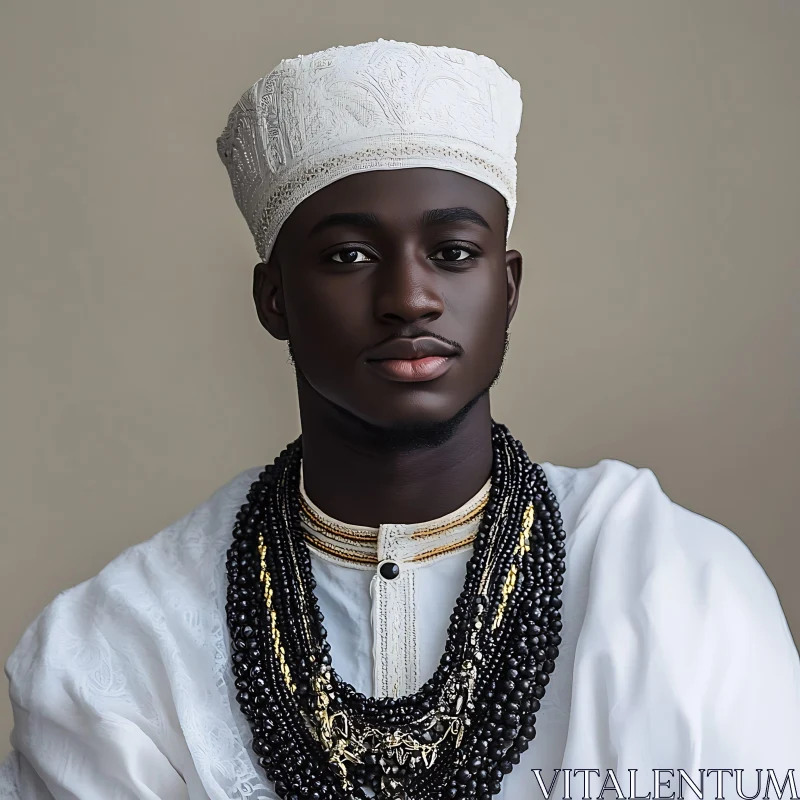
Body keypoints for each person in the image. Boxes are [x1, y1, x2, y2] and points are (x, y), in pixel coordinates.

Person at [1, 38, 798, 800]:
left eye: (453, 252)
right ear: (273, 298)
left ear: (508, 288)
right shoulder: (123, 644)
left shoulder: (672, 586)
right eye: (349, 256)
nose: (409, 299)